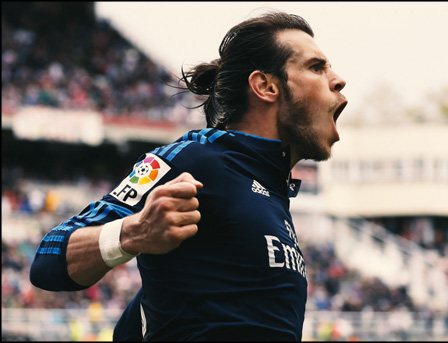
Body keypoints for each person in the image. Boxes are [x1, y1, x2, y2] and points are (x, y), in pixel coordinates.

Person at [30, 10, 347, 341]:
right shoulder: (197, 157)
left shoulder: (273, 190)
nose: (337, 79)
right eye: (316, 67)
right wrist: (133, 232)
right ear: (265, 86)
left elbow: (169, 308)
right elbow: (48, 258)